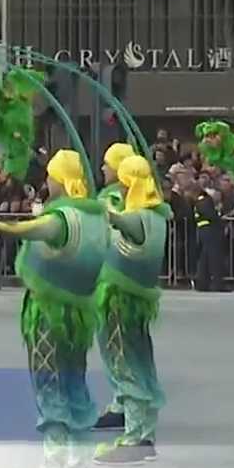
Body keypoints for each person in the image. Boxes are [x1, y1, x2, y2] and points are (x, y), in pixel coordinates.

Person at [0, 149, 105, 468]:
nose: (47, 180)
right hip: (79, 313)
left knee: (49, 382)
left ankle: (54, 464)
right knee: (74, 382)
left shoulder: (61, 219)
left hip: (49, 313)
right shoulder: (95, 217)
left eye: (51, 174)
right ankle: (77, 464)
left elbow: (24, 229)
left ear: (61, 178)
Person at [93, 155, 168, 465]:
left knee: (124, 361)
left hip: (119, 299)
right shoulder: (156, 216)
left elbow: (117, 221)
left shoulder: (138, 218)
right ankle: (144, 434)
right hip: (135, 300)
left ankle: (135, 438)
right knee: (140, 360)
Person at [91, 141, 136, 434]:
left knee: (116, 343)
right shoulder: (134, 195)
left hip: (113, 280)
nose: (103, 168)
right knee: (117, 342)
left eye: (107, 164)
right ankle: (124, 401)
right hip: (119, 279)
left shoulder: (113, 198)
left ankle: (127, 404)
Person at [190, 181, 228, 292]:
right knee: (214, 257)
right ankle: (217, 284)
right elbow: (211, 216)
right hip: (210, 231)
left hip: (204, 231)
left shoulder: (200, 201)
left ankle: (202, 283)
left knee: (205, 258)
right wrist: (221, 222)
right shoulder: (205, 201)